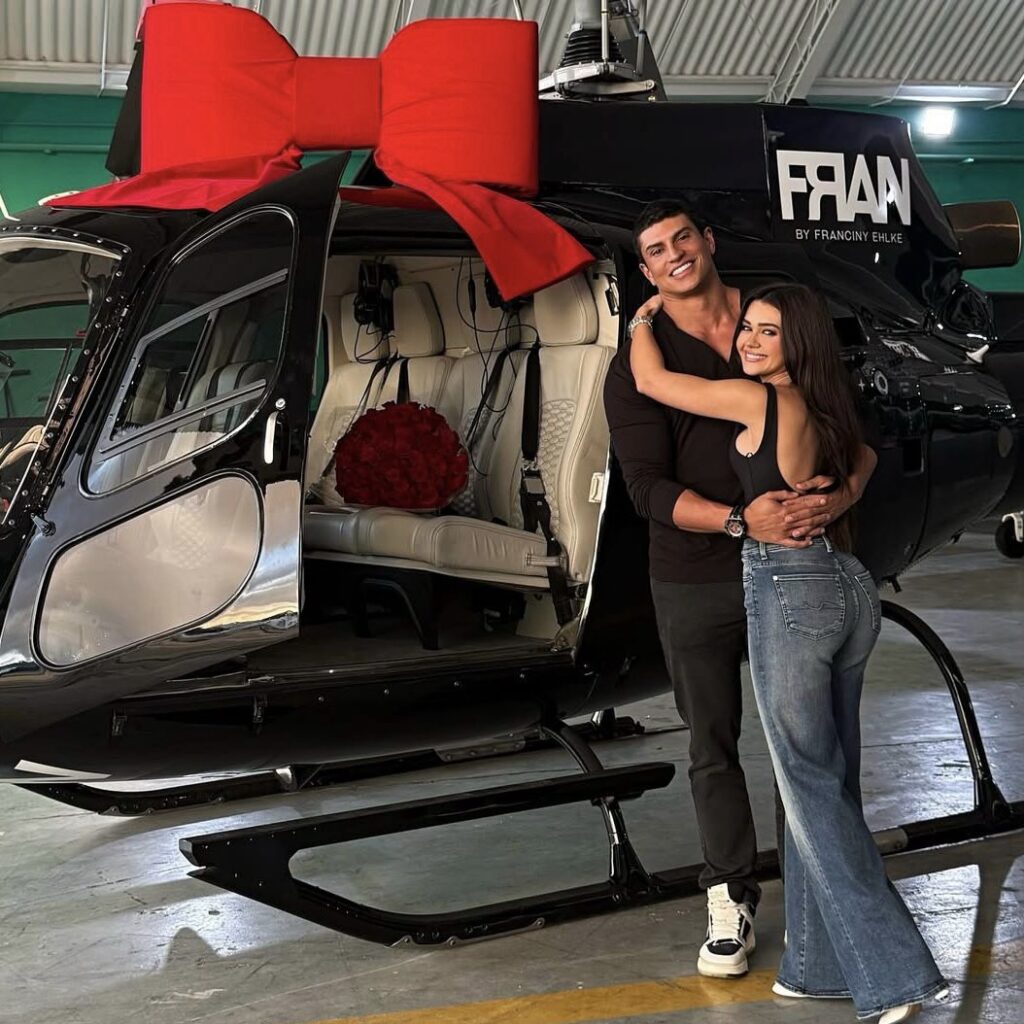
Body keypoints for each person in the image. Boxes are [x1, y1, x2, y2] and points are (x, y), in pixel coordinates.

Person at [629, 281, 948, 1023]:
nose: (749, 340)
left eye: (767, 332)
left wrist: (643, 315)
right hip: (845, 585)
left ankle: (898, 973)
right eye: (748, 328)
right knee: (825, 779)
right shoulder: (826, 402)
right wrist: (839, 499)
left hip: (792, 589)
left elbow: (652, 382)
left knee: (809, 788)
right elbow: (864, 458)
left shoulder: (758, 400)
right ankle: (813, 968)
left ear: (794, 343)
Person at [604, 200, 876, 979]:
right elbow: (646, 489)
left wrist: (840, 496)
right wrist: (737, 521)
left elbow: (857, 436)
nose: (675, 255)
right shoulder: (639, 363)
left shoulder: (775, 322)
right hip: (696, 575)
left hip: (794, 571)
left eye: (683, 238)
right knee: (712, 742)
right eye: (657, 251)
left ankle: (823, 905)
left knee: (811, 750)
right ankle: (730, 895)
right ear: (648, 271)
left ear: (708, 241)